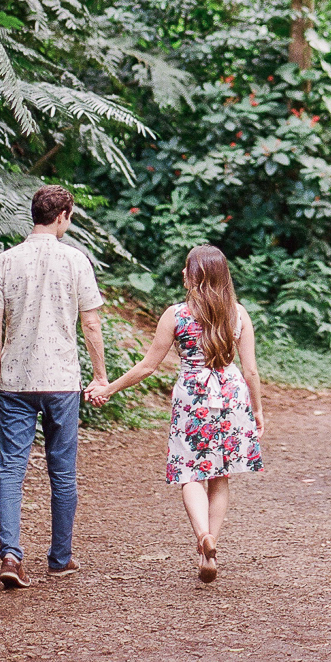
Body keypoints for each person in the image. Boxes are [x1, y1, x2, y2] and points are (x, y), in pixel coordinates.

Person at [86, 243, 263, 583]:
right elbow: (251, 370)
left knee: (189, 473)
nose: (182, 273)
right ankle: (209, 550)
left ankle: (202, 538)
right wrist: (257, 410)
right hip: (231, 394)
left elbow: (147, 367)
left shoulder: (176, 315)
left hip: (193, 395)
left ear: (197, 276)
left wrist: (108, 388)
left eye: (187, 268)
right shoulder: (238, 314)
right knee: (220, 475)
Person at [0, 184, 107, 589]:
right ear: (63, 215)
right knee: (62, 471)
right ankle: (59, 558)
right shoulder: (76, 261)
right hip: (61, 382)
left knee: (12, 468)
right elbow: (90, 323)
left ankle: (11, 555)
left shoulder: (3, 261)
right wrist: (100, 375)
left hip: (16, 380)